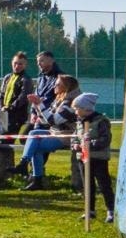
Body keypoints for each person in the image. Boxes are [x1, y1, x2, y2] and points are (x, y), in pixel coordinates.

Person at [19, 74, 82, 190]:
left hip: (67, 135)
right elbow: (46, 120)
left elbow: (53, 120)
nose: (54, 86)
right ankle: (24, 165)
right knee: (33, 133)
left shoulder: (70, 102)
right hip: (56, 132)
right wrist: (37, 107)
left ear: (66, 87)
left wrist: (40, 104)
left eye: (57, 84)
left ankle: (32, 175)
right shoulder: (59, 99)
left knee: (36, 147)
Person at [73, 92, 115, 222]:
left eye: (77, 108)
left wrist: (89, 144)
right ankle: (89, 210)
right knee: (87, 185)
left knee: (104, 185)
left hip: (98, 158)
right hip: (83, 159)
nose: (75, 111)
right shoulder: (79, 122)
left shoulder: (101, 121)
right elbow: (75, 137)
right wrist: (75, 145)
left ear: (86, 109)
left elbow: (105, 139)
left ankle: (111, 210)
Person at [0, 51, 34, 144]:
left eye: (20, 64)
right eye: (15, 63)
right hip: (4, 114)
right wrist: (1, 106)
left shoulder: (26, 79)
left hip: (17, 116)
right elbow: (1, 94)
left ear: (25, 65)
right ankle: (2, 159)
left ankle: (7, 159)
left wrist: (10, 107)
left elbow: (23, 97)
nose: (17, 66)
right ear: (12, 63)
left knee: (6, 140)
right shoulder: (7, 77)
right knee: (0, 140)